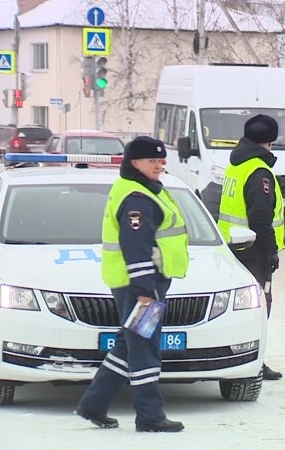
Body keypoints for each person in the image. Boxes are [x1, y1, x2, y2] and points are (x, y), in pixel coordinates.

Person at [75, 136, 188, 433]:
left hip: (144, 282)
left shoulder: (142, 189)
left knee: (129, 344)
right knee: (144, 347)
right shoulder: (137, 198)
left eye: (161, 160)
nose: (159, 165)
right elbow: (135, 247)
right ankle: (150, 415)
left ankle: (94, 404)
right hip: (139, 284)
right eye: (152, 160)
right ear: (134, 162)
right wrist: (145, 289)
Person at [217, 114, 285, 381]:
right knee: (258, 306)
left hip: (233, 245)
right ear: (269, 141)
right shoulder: (259, 171)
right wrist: (271, 251)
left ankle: (233, 355)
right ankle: (254, 360)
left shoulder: (236, 164)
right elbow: (260, 217)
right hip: (253, 249)